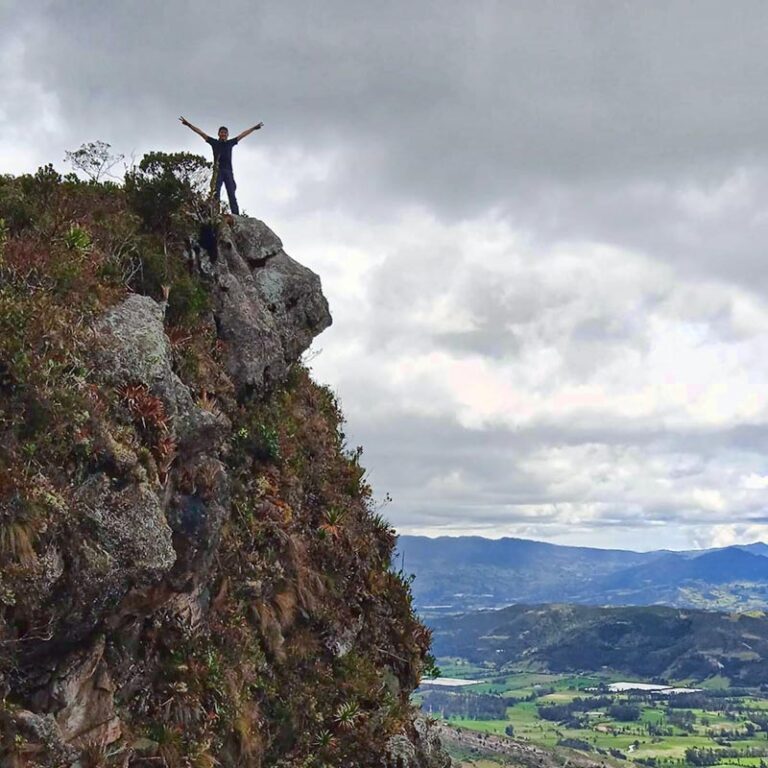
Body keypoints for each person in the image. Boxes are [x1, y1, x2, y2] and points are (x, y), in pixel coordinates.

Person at [179, 116, 263, 215]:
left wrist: (253, 128)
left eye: (225, 133)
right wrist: (188, 125)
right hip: (218, 171)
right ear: (219, 134)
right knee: (216, 193)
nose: (223, 134)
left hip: (228, 172)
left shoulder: (230, 143)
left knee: (231, 193)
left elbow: (242, 135)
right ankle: (215, 213)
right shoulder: (214, 143)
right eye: (222, 132)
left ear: (227, 135)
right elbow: (200, 133)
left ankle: (236, 215)